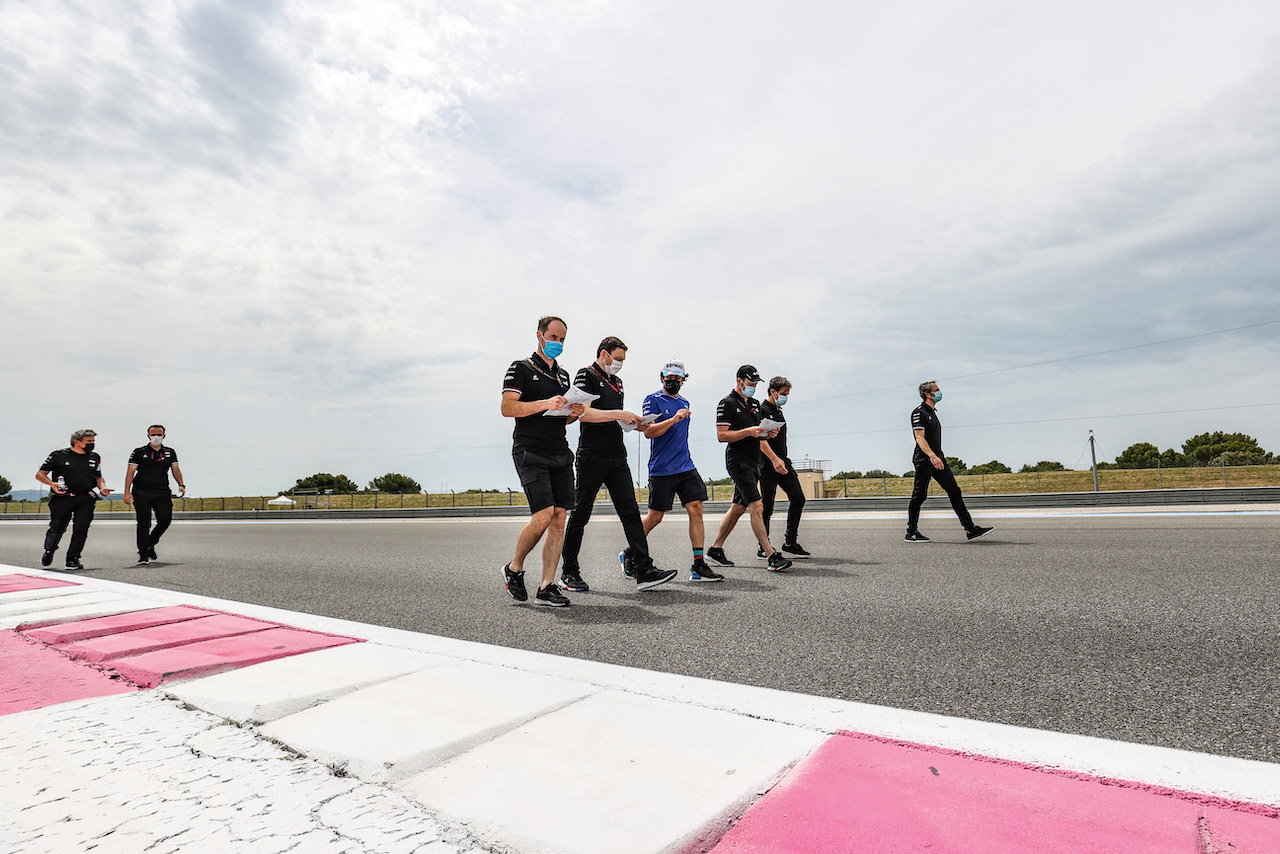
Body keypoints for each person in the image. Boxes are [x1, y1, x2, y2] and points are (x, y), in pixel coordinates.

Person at [559, 337, 677, 593]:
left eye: (623, 360)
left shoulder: (617, 383)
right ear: (604, 354)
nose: (620, 364)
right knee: (580, 514)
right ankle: (569, 572)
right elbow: (584, 413)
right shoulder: (586, 375)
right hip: (592, 456)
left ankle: (644, 569)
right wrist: (620, 414)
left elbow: (614, 418)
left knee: (631, 513)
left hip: (617, 456)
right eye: (618, 359)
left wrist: (636, 423)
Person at [636, 360, 723, 582]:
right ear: (662, 377)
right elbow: (649, 432)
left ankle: (698, 564)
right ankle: (629, 551)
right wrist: (673, 419)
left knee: (696, 508)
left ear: (683, 379)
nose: (673, 381)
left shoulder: (685, 401)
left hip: (685, 465)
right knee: (655, 517)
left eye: (677, 378)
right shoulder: (653, 400)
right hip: (662, 469)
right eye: (669, 377)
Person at [707, 366, 793, 572]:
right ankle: (771, 555)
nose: (753, 387)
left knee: (738, 507)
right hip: (738, 461)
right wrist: (748, 432)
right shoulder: (726, 403)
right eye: (750, 384)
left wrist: (767, 434)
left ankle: (715, 549)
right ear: (739, 381)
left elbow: (758, 433)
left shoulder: (755, 404)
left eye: (756, 384)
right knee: (757, 505)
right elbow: (722, 436)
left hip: (755, 462)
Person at [906, 380, 994, 542]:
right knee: (919, 496)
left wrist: (937, 456)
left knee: (954, 491)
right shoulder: (919, 412)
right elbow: (919, 438)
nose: (940, 392)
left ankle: (970, 529)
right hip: (925, 460)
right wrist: (931, 455)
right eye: (937, 390)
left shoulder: (933, 412)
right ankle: (911, 532)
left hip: (939, 459)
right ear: (928, 394)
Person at [36, 429, 112, 570]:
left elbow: (98, 476)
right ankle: (49, 550)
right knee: (57, 528)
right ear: (77, 441)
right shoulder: (58, 455)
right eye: (89, 441)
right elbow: (40, 474)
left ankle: (73, 559)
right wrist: (52, 484)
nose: (92, 444)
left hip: (85, 498)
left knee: (81, 528)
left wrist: (102, 487)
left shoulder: (95, 457)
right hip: (62, 498)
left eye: (93, 441)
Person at [756, 377, 811, 559]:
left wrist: (782, 460)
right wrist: (774, 460)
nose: (786, 397)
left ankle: (790, 542)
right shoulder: (762, 410)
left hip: (783, 462)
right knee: (767, 506)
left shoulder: (779, 411)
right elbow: (761, 441)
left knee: (798, 498)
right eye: (784, 393)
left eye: (787, 394)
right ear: (773, 392)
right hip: (768, 464)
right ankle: (763, 546)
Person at [123, 425, 186, 565]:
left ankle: (150, 543)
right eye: (153, 434)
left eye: (159, 434)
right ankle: (143, 554)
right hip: (141, 492)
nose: (156, 437)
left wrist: (181, 484)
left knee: (165, 520)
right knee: (144, 523)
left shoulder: (170, 452)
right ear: (148, 436)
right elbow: (130, 472)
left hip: (162, 491)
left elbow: (175, 469)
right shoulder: (139, 452)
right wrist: (127, 492)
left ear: (164, 435)